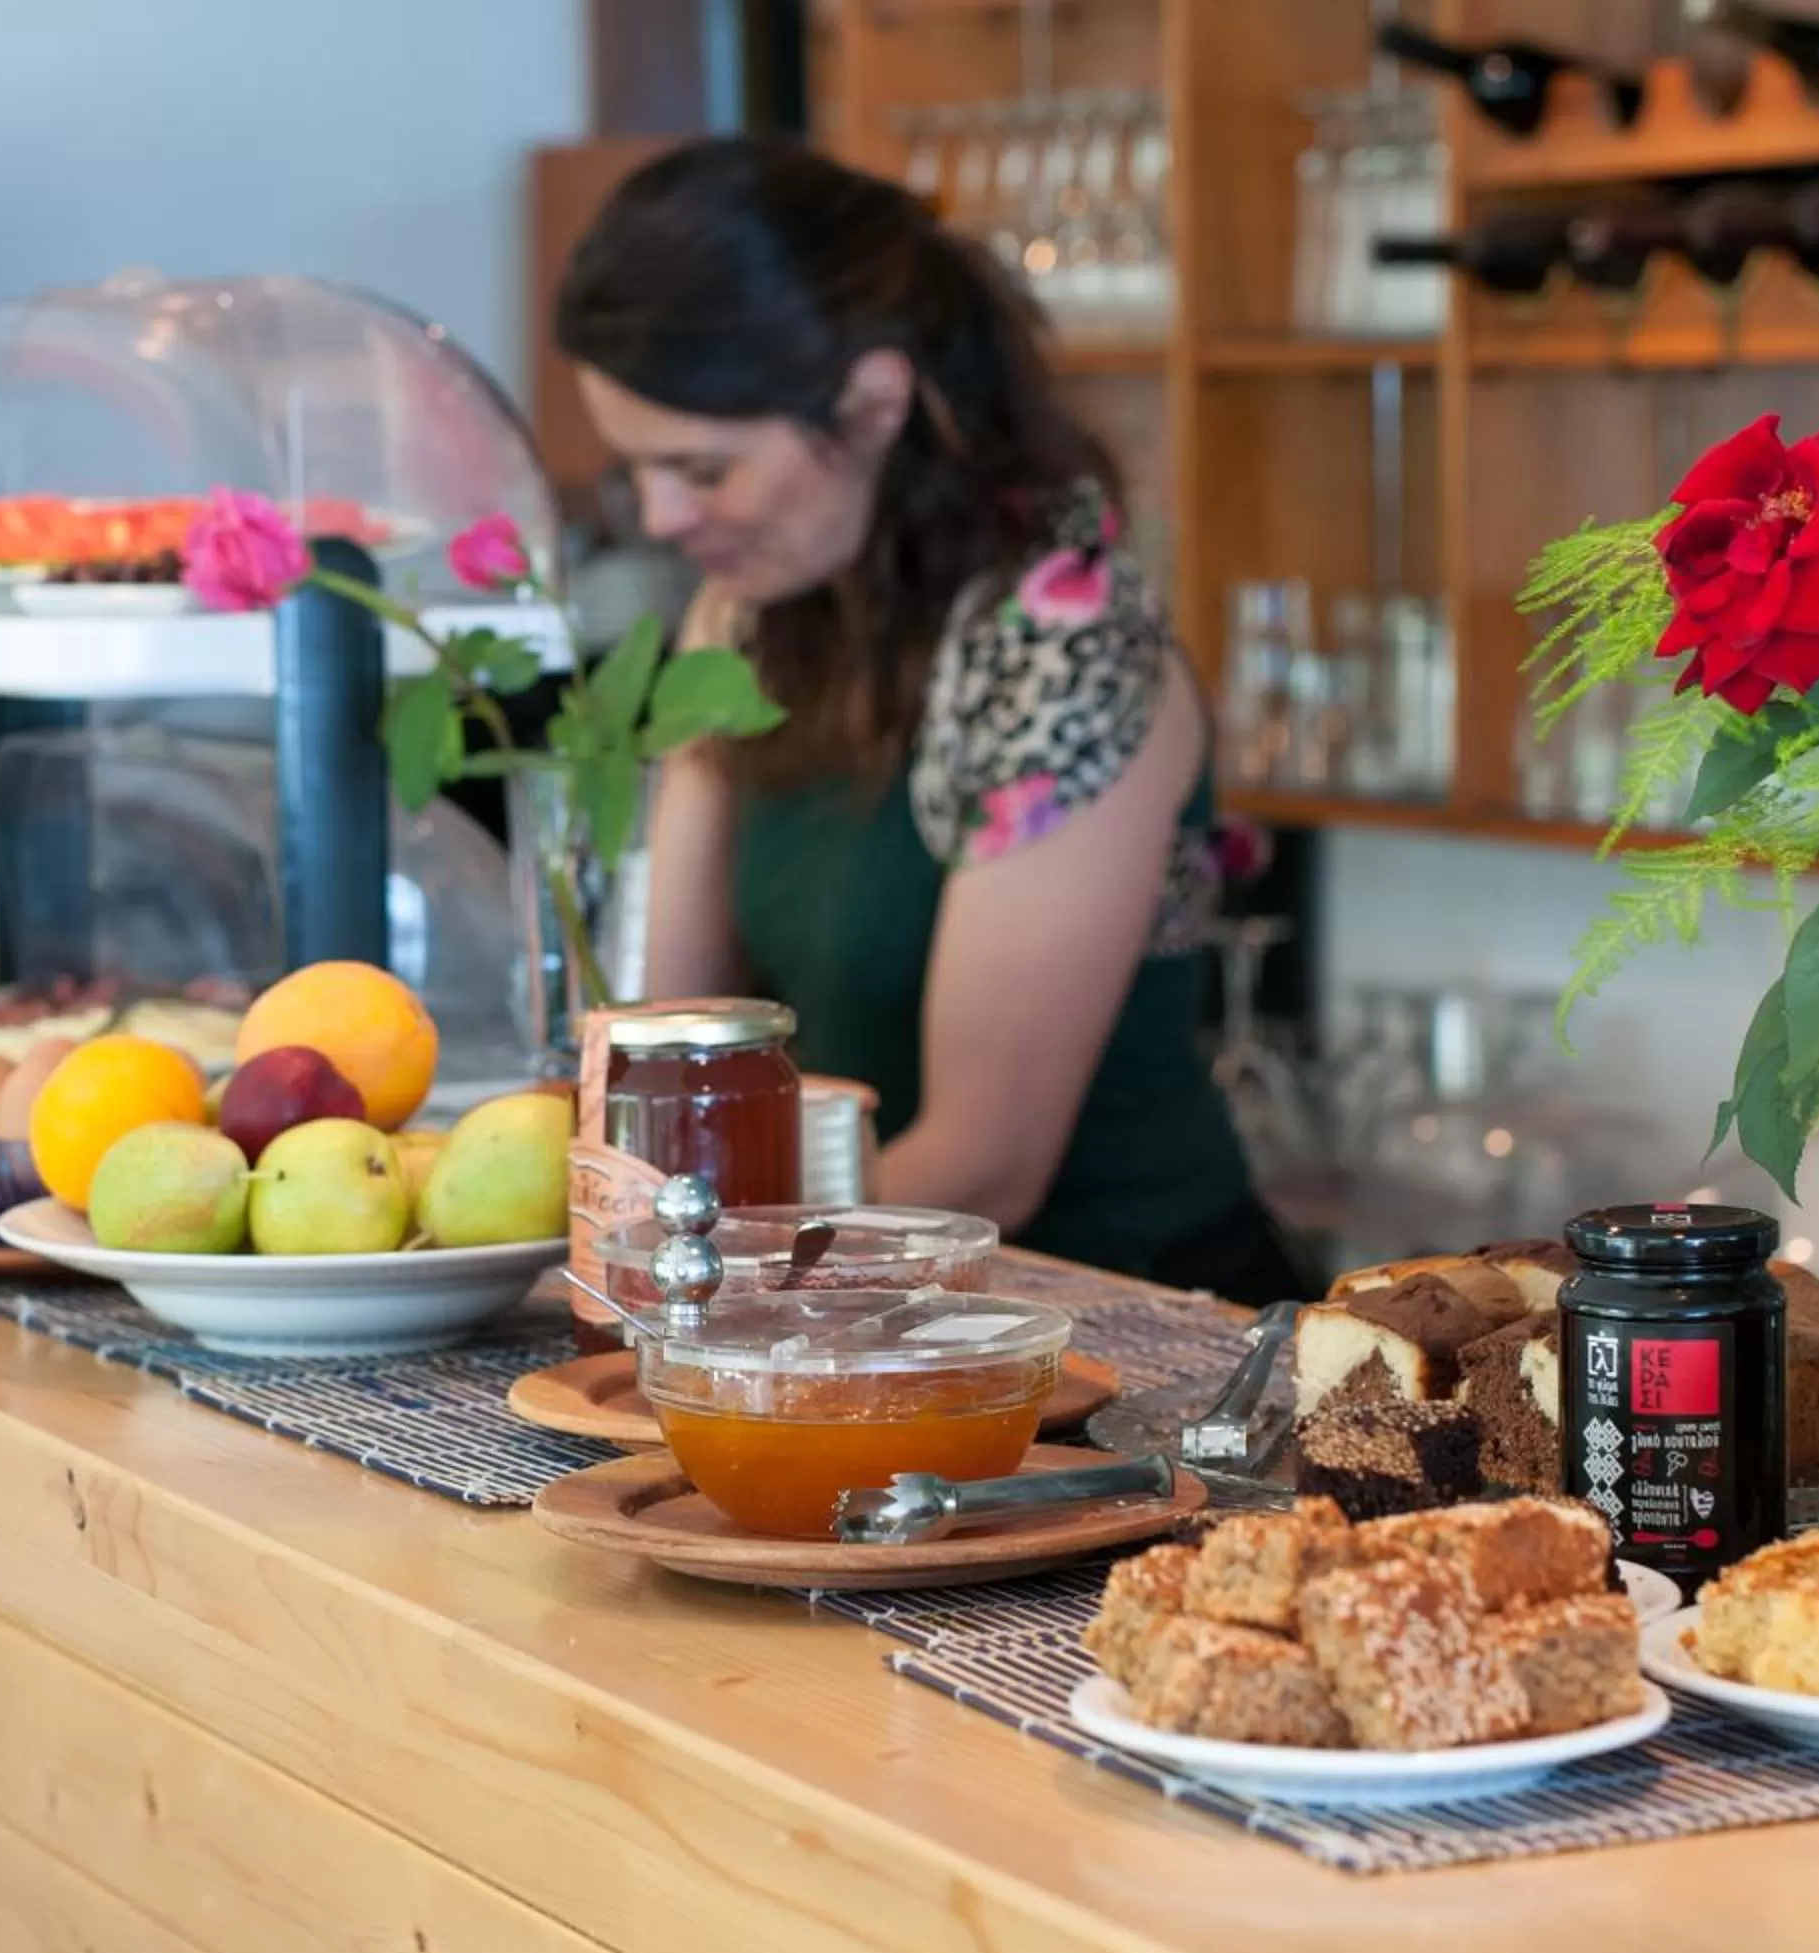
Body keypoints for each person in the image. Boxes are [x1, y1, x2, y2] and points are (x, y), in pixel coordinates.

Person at [552, 136, 1304, 1306]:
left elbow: (982, 1166)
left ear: (871, 404)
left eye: (702, 470)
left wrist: (712, 1299)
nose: (661, 516)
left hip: (1110, 1319)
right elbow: (674, 1046)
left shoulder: (1059, 641)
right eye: (637, 471)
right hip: (842, 1308)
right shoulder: (749, 617)